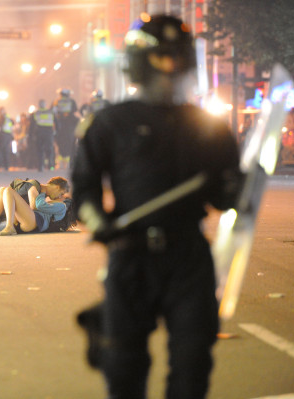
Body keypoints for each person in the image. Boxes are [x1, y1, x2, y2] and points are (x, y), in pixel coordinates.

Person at [71, 15, 241, 399]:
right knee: (125, 370)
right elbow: (84, 187)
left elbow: (223, 198)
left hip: (189, 259)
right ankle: (105, 324)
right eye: (161, 58)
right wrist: (100, 221)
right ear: (139, 62)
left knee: (193, 362)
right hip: (131, 256)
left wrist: (236, 188)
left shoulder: (209, 128)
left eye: (176, 58)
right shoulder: (110, 122)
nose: (169, 67)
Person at [53, 88, 79, 169]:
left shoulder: (57, 101)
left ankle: (60, 164)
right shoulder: (71, 101)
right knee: (71, 144)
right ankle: (69, 164)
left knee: (60, 144)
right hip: (70, 125)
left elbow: (53, 111)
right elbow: (75, 110)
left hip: (60, 124)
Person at [30, 99, 56, 171]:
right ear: (45, 104)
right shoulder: (50, 112)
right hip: (49, 132)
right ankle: (50, 165)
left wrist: (31, 134)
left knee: (40, 149)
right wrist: (57, 131)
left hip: (40, 132)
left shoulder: (36, 113)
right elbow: (56, 122)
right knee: (49, 148)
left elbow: (32, 125)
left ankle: (41, 166)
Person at [0, 106, 14, 171]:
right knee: (6, 151)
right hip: (8, 136)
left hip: (2, 135)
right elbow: (12, 126)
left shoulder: (2, 118)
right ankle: (6, 166)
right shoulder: (8, 117)